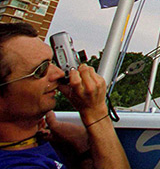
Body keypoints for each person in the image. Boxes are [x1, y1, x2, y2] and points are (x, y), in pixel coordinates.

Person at [0, 22, 130, 168]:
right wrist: (96, 114)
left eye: (52, 62)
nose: (59, 73)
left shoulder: (37, 143)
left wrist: (82, 149)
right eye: (41, 70)